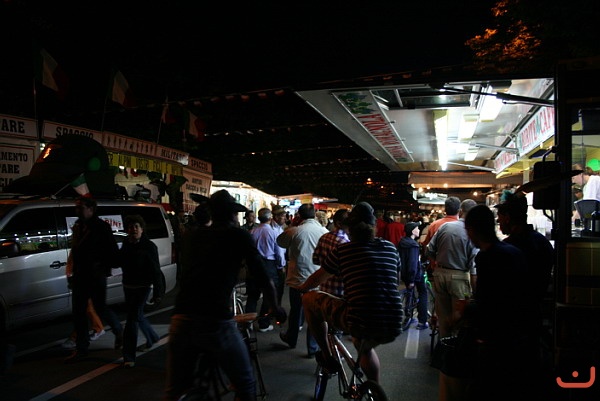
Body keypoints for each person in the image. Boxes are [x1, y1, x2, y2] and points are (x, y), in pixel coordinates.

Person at [164, 189, 286, 401]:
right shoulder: (237, 235)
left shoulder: (192, 235)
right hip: (215, 321)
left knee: (175, 390)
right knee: (246, 384)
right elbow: (262, 277)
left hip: (181, 318)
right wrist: (275, 307)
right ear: (232, 214)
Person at [299, 202, 402, 383]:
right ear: (374, 227)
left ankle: (327, 356)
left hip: (359, 319)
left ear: (350, 229)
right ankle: (374, 390)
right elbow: (395, 278)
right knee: (365, 347)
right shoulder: (390, 248)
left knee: (308, 299)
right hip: (394, 320)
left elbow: (318, 278)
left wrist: (301, 288)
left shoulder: (343, 251)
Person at [463, 205, 541, 400]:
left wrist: (466, 310)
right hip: (521, 335)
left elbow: (489, 302)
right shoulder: (513, 251)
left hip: (498, 341)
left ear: (473, 229)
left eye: (468, 230)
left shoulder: (488, 257)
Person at [494, 193, 554, 368]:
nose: (499, 223)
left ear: (508, 217)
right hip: (534, 312)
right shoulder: (542, 242)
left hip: (511, 318)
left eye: (500, 218)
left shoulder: (508, 248)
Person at [426, 199, 478, 401]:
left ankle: (444, 359)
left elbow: (429, 250)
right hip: (459, 276)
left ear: (461, 211)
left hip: (440, 274)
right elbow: (473, 265)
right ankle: (457, 361)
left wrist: (438, 261)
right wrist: (475, 290)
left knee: (444, 318)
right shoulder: (472, 231)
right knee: (461, 318)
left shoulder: (445, 227)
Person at [65, 196, 123, 363]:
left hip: (96, 274)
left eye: (81, 207)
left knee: (100, 307)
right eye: (76, 207)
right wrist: (71, 270)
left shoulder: (101, 227)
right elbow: (75, 250)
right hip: (80, 275)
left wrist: (103, 266)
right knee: (79, 312)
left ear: (91, 209)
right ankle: (81, 348)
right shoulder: (78, 226)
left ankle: (118, 330)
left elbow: (112, 251)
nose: (77, 210)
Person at [277, 203, 328, 357]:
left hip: (298, 279)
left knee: (296, 311)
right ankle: (313, 347)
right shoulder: (324, 232)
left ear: (299, 215)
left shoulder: (294, 231)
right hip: (317, 279)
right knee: (315, 315)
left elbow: (280, 242)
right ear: (314, 214)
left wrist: (292, 225)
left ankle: (291, 338)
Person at [119, 215, 163, 368]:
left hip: (143, 287)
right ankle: (152, 337)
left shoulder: (149, 246)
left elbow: (156, 270)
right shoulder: (126, 244)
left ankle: (128, 356)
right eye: (131, 227)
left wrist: (158, 293)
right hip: (128, 286)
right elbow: (120, 260)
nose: (133, 229)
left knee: (132, 319)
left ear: (142, 229)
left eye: (136, 226)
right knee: (137, 315)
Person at [247, 207, 281, 332]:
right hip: (269, 264)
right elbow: (279, 252)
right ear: (270, 218)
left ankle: (248, 322)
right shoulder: (273, 232)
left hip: (254, 264)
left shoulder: (252, 231)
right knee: (268, 295)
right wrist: (280, 266)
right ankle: (263, 322)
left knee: (252, 295)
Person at [398, 222, 429, 330]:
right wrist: (412, 279)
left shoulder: (402, 242)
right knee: (423, 293)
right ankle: (422, 321)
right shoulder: (413, 245)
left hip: (405, 274)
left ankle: (408, 316)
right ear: (412, 231)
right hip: (415, 275)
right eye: (417, 228)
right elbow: (412, 264)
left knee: (410, 294)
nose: (419, 230)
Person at [312, 208, 349, 297]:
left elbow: (315, 260)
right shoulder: (345, 243)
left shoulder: (324, 237)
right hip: (340, 291)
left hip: (324, 287)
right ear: (339, 223)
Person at [421, 197, 462, 271]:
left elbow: (426, 246)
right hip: (459, 269)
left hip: (437, 268)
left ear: (445, 209)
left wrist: (433, 261)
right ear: (459, 210)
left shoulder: (434, 225)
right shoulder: (464, 227)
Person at [270, 205, 288, 305]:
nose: (285, 218)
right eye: (283, 216)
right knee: (277, 290)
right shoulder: (275, 230)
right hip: (276, 265)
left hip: (273, 264)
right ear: (276, 217)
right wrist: (282, 266)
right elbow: (279, 251)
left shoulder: (279, 228)